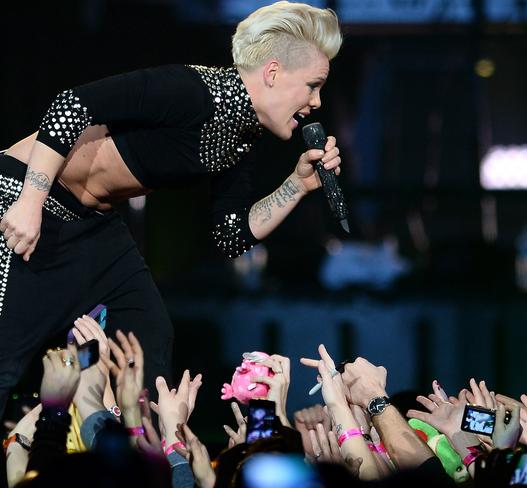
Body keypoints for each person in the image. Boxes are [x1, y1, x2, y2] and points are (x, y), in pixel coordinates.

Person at [0, 1, 343, 419]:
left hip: (92, 225)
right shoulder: (193, 90)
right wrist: (29, 202)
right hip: (25, 193)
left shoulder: (241, 137)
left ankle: (132, 453)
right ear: (273, 73)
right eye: (312, 85)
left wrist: (297, 185)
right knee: (7, 355)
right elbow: (70, 105)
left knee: (148, 332)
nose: (317, 101)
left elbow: (232, 234)